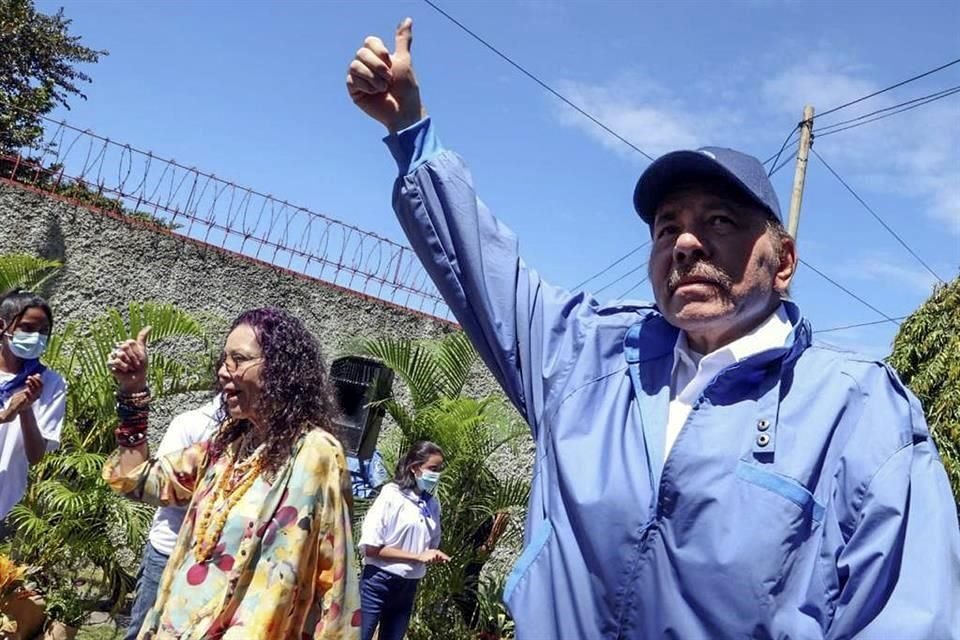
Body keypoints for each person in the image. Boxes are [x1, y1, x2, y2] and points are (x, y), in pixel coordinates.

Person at [346, 19, 960, 639]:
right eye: (667, 227)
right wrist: (412, 133)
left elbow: (908, 614)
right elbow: (483, 270)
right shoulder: (586, 356)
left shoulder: (858, 411)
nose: (686, 242)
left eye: (719, 221)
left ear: (785, 262)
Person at [103, 308, 360, 639]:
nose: (224, 371)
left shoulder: (316, 454)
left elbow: (334, 574)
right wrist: (133, 391)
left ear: (281, 371)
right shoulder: (226, 448)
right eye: (224, 360)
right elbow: (137, 479)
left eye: (239, 359)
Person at [123, 398, 220, 640]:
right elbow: (153, 487)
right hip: (169, 553)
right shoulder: (193, 423)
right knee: (144, 631)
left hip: (221, 563)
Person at [358, 440, 449, 640]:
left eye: (439, 469)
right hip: (378, 581)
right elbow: (371, 547)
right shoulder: (391, 495)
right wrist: (416, 556)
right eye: (433, 468)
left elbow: (430, 545)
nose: (437, 474)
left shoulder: (431, 505)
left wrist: (433, 555)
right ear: (415, 468)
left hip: (408, 585)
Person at [0, 289, 66, 523]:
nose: (37, 337)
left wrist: (26, 409)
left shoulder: (51, 383)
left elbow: (36, 455)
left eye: (44, 331)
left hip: (4, 502)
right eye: (27, 328)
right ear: (3, 326)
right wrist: (5, 414)